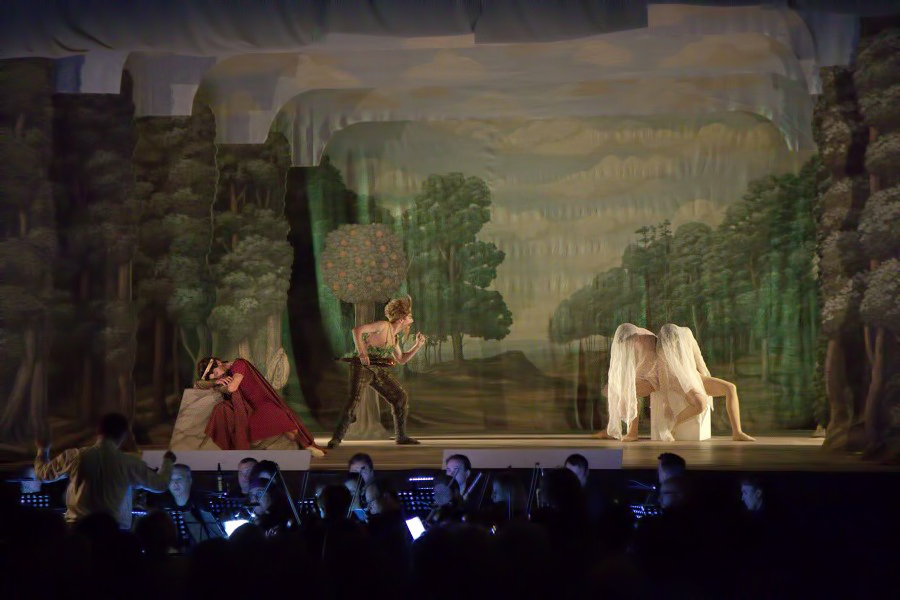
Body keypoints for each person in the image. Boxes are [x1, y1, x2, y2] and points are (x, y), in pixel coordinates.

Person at [33, 412, 175, 530]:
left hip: (78, 530)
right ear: (123, 436)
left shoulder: (75, 456)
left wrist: (43, 449)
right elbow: (160, 484)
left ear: (98, 431)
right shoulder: (129, 464)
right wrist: (168, 461)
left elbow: (42, 474)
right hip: (112, 533)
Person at [328, 296, 426, 448]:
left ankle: (401, 436)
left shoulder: (394, 337)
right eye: (409, 316)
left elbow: (401, 359)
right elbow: (357, 330)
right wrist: (362, 352)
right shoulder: (383, 326)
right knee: (354, 400)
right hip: (362, 367)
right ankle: (336, 439)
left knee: (400, 396)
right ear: (402, 318)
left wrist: (417, 346)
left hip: (377, 369)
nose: (411, 319)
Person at [196, 356, 325, 456]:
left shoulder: (239, 364)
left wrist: (219, 384)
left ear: (219, 363)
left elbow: (232, 387)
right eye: (215, 377)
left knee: (287, 425)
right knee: (283, 427)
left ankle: (306, 445)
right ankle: (305, 446)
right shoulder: (226, 374)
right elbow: (198, 384)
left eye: (217, 373)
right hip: (251, 408)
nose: (219, 376)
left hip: (263, 402)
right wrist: (215, 382)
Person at [655, 324, 754, 441]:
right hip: (677, 381)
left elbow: (699, 358)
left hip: (694, 376)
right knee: (700, 404)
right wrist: (666, 402)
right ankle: (673, 423)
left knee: (730, 388)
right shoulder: (662, 347)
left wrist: (706, 378)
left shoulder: (687, 335)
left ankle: (737, 432)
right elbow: (662, 374)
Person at [596, 323, 659, 441]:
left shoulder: (646, 340)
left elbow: (650, 366)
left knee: (630, 391)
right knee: (614, 390)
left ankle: (633, 432)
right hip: (642, 374)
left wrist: (629, 382)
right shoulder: (633, 339)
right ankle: (612, 429)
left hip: (655, 376)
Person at [162, 464, 225, 548]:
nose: (174, 483)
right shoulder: (163, 508)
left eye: (179, 479)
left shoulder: (203, 506)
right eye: (171, 479)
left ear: (189, 481)